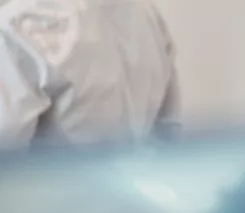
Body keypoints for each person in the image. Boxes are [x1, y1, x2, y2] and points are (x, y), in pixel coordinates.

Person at [0, 0, 179, 149]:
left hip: (54, 188)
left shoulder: (18, 26)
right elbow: (167, 131)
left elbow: (7, 159)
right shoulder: (146, 13)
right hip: (133, 186)